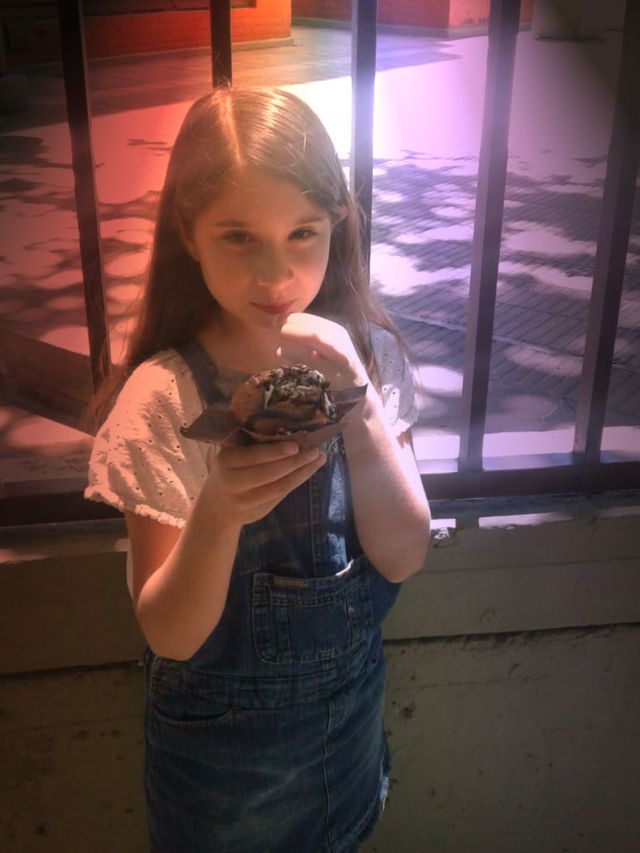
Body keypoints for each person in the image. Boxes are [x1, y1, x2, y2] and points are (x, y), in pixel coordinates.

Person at [86, 85, 430, 853]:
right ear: (190, 234)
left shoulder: (369, 360)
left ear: (337, 222)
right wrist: (217, 511)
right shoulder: (163, 399)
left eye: (302, 233)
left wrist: (358, 401)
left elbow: (405, 552)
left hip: (346, 739)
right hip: (219, 784)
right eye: (239, 237)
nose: (275, 275)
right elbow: (170, 633)